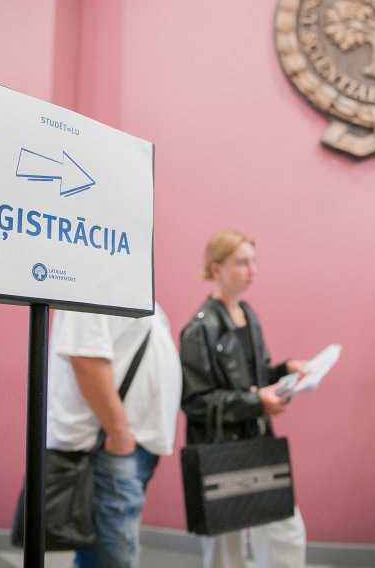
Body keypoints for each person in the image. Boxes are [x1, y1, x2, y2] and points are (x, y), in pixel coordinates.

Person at [180, 230, 308, 568]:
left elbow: (255, 377)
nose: (252, 270)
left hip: (257, 440)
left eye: (254, 261)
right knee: (226, 547)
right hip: (220, 449)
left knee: (285, 531)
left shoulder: (249, 316)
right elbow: (195, 402)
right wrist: (256, 402)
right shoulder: (199, 329)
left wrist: (284, 372)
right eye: (242, 262)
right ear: (216, 268)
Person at [46, 303, 182, 568]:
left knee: (115, 549)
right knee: (113, 556)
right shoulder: (93, 285)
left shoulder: (130, 290)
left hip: (129, 445)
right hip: (113, 446)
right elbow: (84, 359)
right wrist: (119, 433)